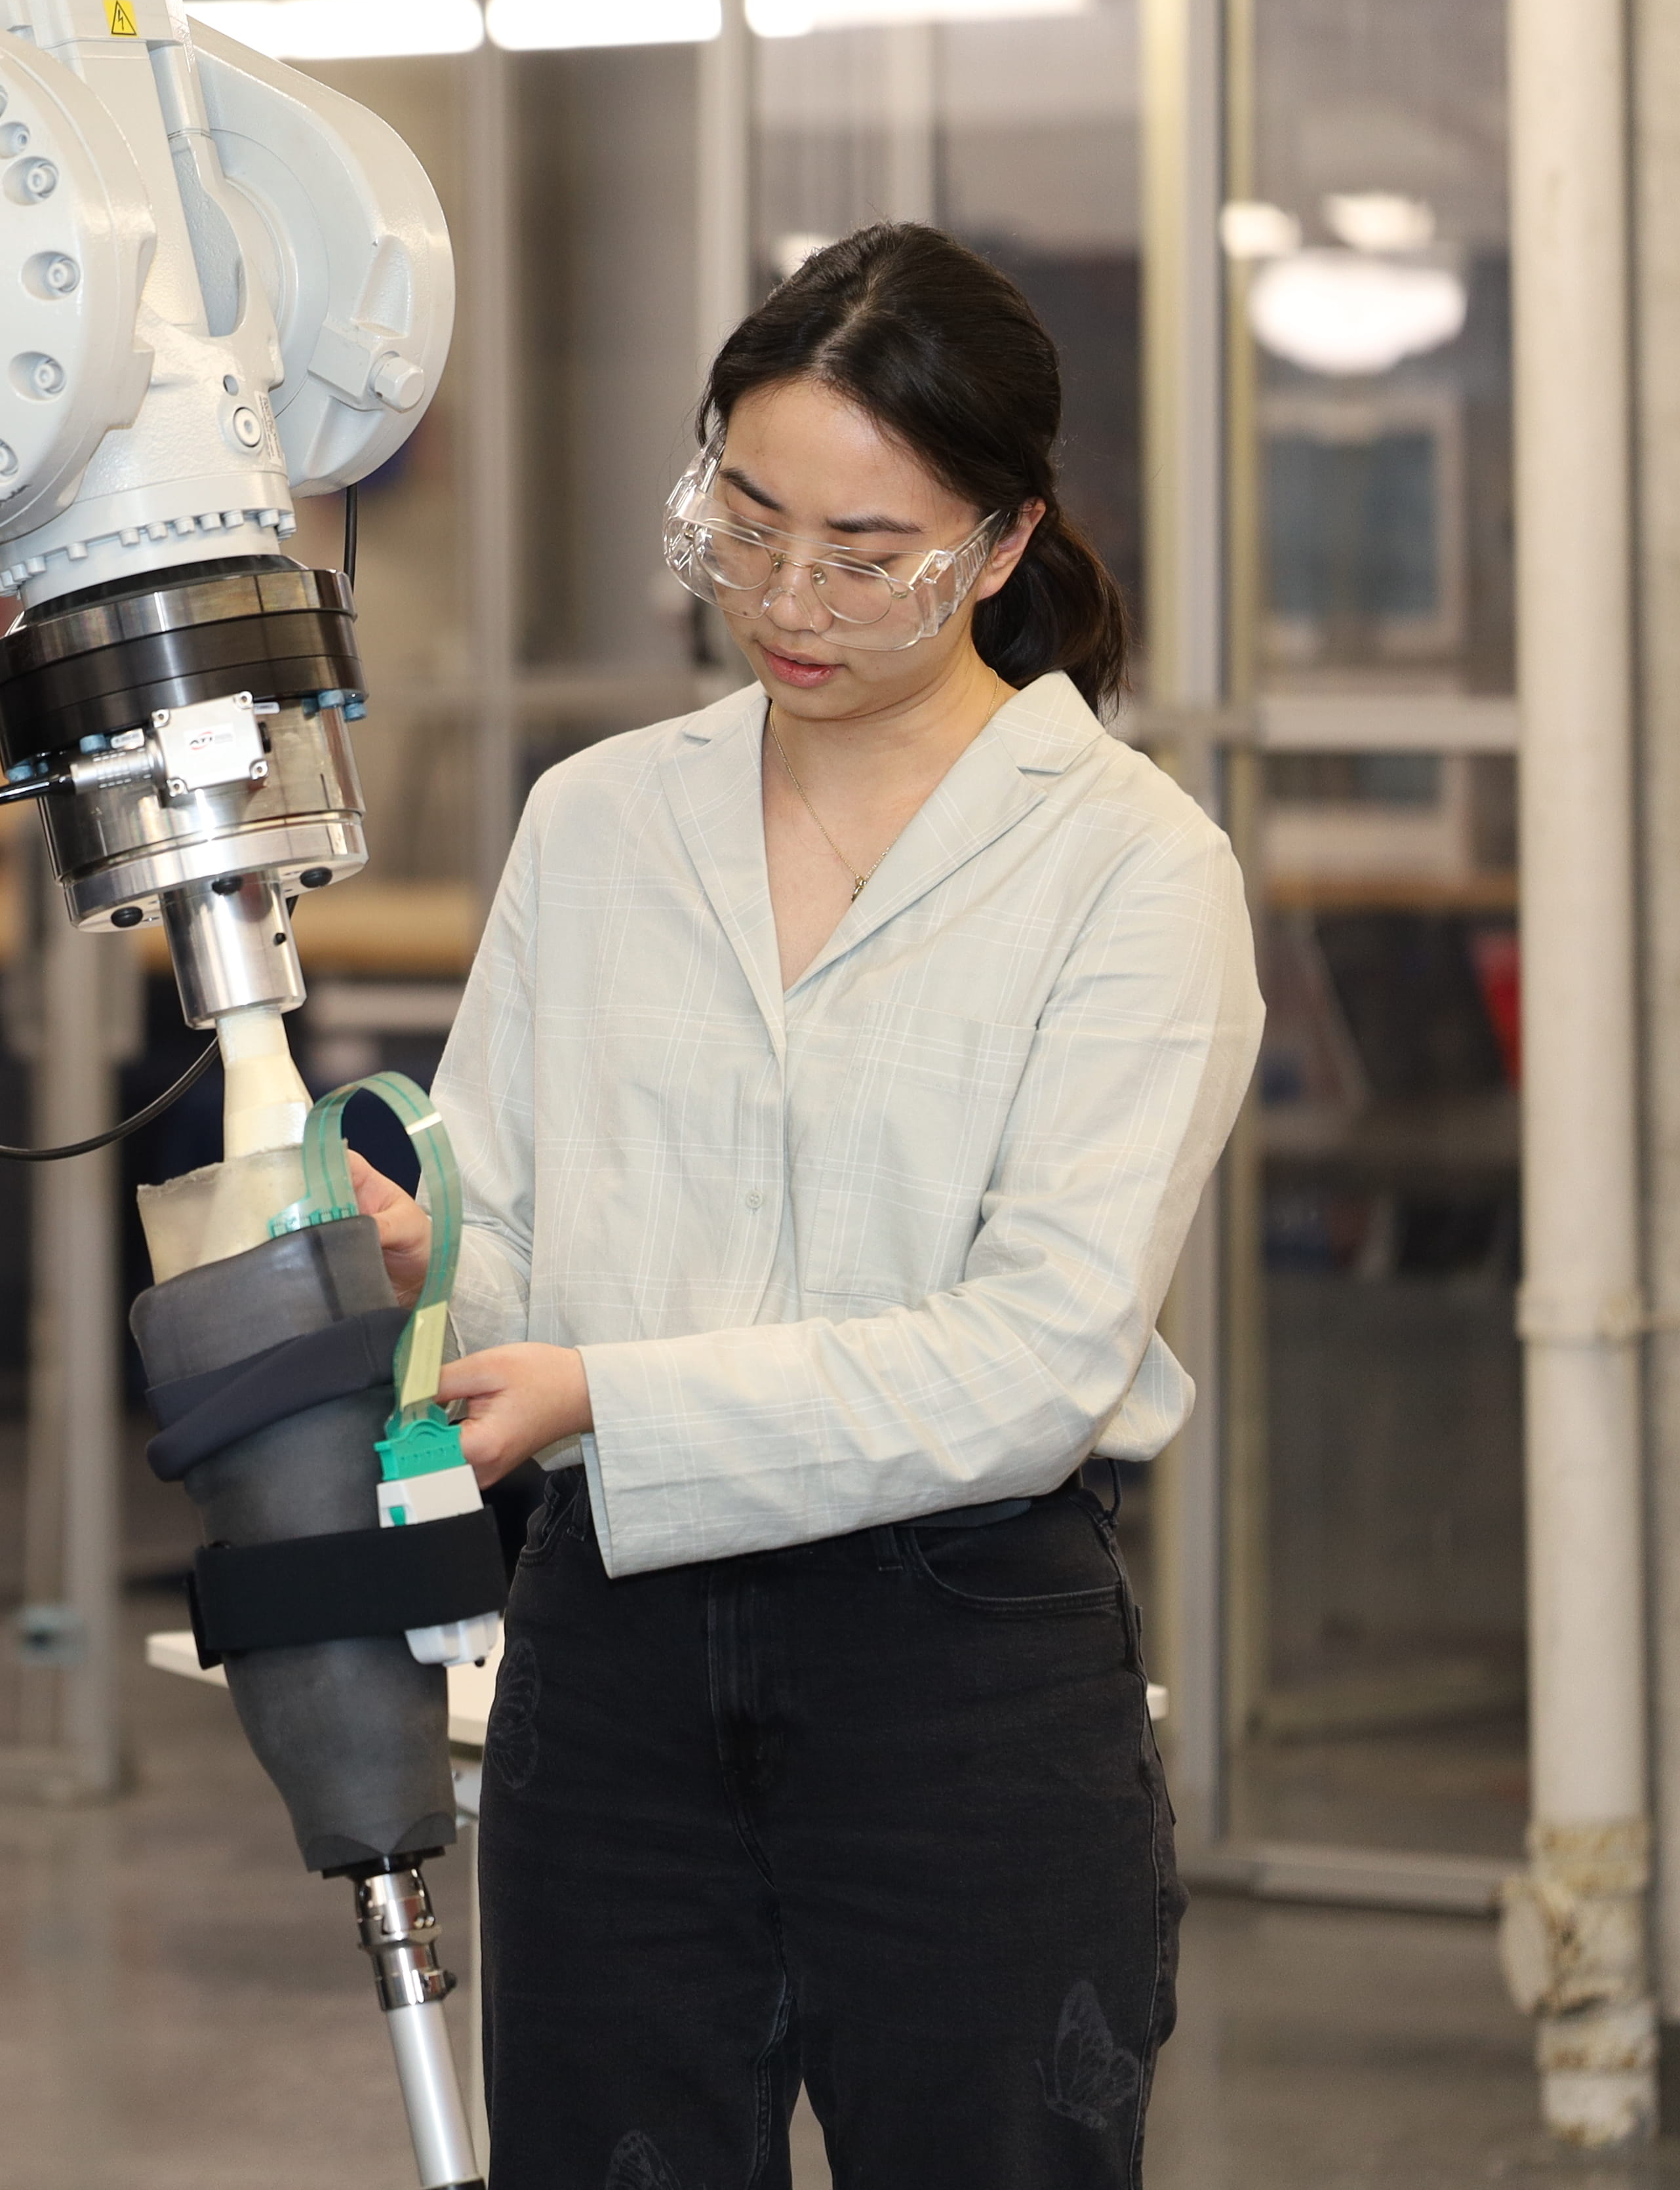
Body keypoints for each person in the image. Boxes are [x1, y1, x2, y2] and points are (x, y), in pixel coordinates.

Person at [359, 223, 1259, 2187]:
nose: (790, 599)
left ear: (1006, 547)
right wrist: (428, 1262)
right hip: (608, 1660)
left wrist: (603, 1388)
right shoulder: (599, 821)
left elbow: (1031, 1362)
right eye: (746, 525)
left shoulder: (1129, 872)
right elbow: (505, 1227)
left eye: (872, 557)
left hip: (959, 1669)